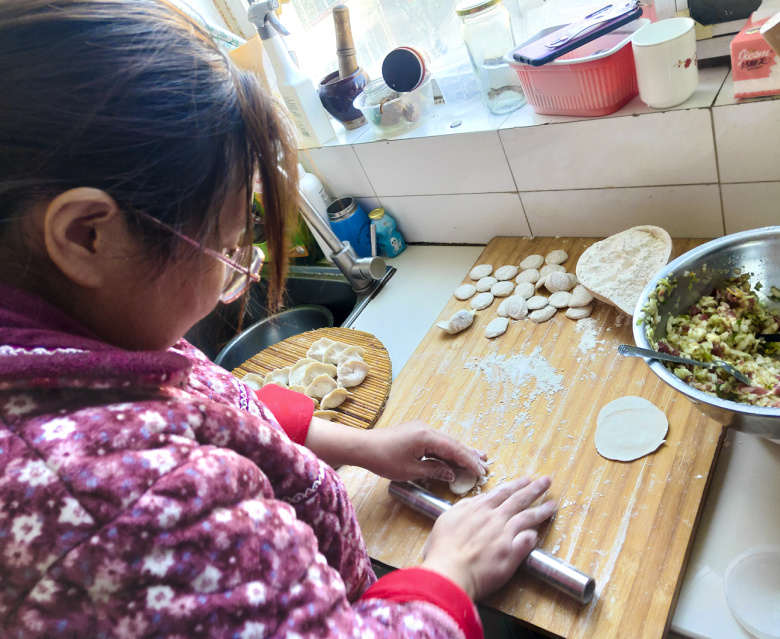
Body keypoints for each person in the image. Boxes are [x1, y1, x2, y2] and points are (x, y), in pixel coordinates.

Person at [0, 1, 557, 637]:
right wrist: (451, 572)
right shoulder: (128, 509)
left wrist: (361, 445)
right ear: (86, 236)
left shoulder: (68, 338)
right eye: (228, 243)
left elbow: (203, 403)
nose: (239, 267)